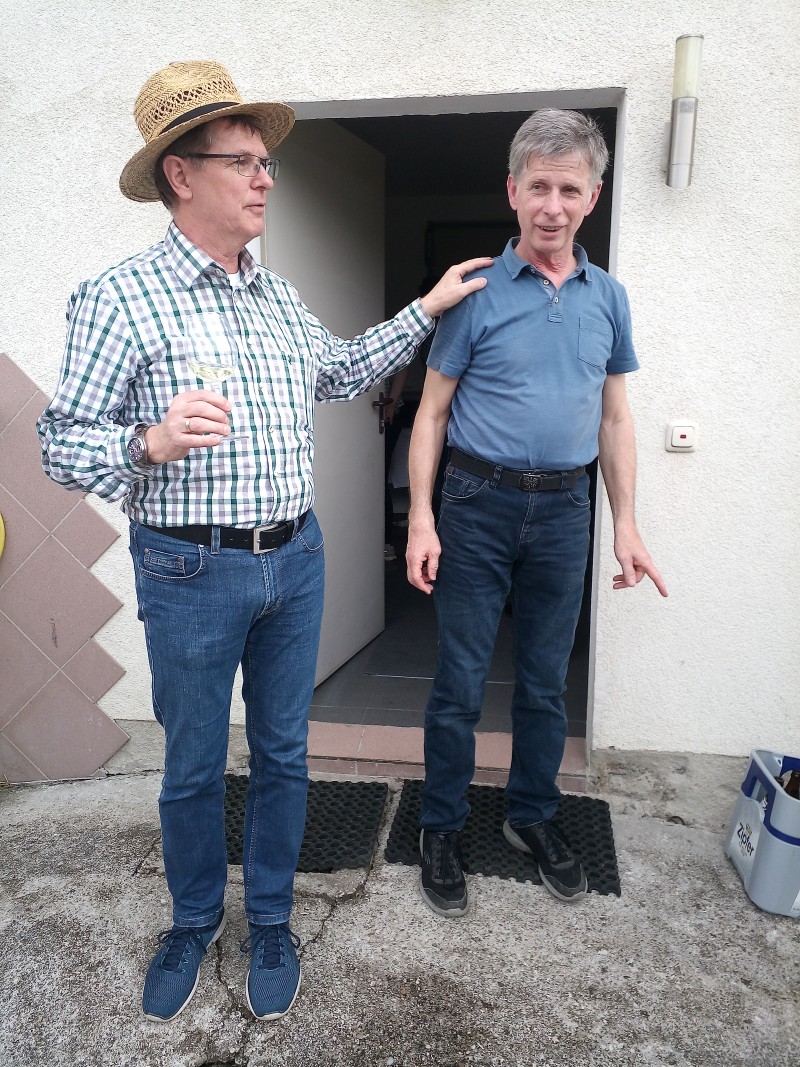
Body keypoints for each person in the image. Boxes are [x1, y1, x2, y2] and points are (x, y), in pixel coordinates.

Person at [37, 60, 489, 1021]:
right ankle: (194, 920)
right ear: (180, 174)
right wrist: (147, 440)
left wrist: (428, 307)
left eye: (266, 162)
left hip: (298, 557)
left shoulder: (277, 296)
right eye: (243, 161)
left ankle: (272, 920)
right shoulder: (119, 298)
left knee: (285, 753)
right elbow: (58, 444)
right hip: (188, 568)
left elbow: (340, 372)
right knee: (195, 763)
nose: (266, 179)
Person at [406, 108, 668, 918]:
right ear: (513, 191)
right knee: (459, 681)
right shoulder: (476, 293)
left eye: (569, 189)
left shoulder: (609, 297)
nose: (553, 206)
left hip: (563, 510)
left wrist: (625, 522)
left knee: (547, 684)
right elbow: (432, 414)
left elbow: (615, 417)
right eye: (539, 187)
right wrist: (421, 518)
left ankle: (531, 815)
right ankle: (441, 824)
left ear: (593, 197)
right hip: (475, 504)